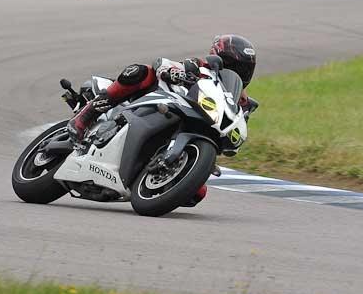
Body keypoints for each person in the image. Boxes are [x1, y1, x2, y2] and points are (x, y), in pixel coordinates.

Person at [66, 35, 258, 206]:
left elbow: (234, 134)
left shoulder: (242, 102)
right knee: (141, 71)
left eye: (243, 68)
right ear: (218, 58)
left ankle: (148, 174)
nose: (238, 71)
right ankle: (85, 116)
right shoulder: (202, 66)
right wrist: (173, 71)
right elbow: (162, 63)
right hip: (157, 102)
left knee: (197, 194)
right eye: (232, 64)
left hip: (195, 126)